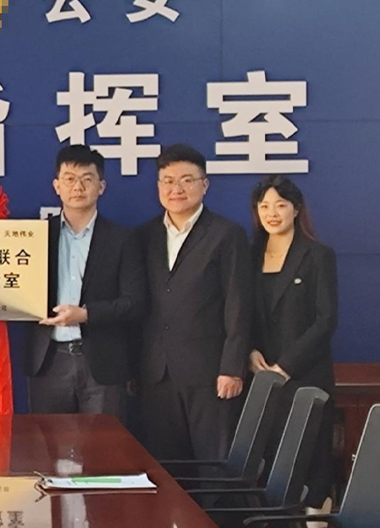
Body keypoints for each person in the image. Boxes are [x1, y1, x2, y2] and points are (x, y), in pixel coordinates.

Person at [138, 144, 252, 460]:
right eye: (168, 181)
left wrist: (232, 368)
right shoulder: (145, 235)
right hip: (156, 374)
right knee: (166, 467)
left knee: (213, 464)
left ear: (205, 185)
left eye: (187, 180)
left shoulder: (226, 234)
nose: (176, 189)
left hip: (209, 373)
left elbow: (238, 304)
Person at [24, 145, 145, 419]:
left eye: (87, 179)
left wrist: (86, 315)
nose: (77, 187)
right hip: (48, 360)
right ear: (57, 186)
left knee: (104, 444)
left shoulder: (122, 239)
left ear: (101, 186)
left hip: (102, 363)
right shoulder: (35, 236)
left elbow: (135, 302)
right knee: (47, 443)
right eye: (69, 179)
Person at [249, 175, 336, 519]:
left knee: (312, 464)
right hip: (262, 379)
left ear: (296, 209)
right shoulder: (249, 255)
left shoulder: (317, 255)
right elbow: (240, 311)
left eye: (281, 205)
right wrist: (250, 351)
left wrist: (285, 366)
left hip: (306, 376)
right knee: (273, 466)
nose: (272, 213)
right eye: (264, 206)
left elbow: (325, 321)